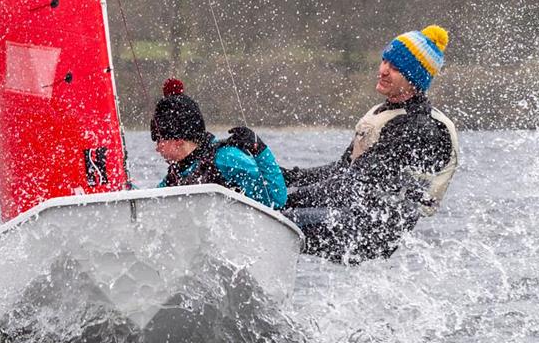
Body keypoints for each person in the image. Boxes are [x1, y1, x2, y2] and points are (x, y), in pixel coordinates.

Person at [277, 25, 459, 264]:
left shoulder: (418, 128)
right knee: (275, 211)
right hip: (354, 211)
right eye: (384, 61)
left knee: (280, 218)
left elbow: (354, 183)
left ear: (414, 79)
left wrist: (284, 199)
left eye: (395, 68)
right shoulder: (384, 113)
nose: (383, 70)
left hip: (374, 229)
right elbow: (342, 170)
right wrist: (283, 177)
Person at [151, 78, 287, 210]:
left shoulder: (225, 158)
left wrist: (259, 149)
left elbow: (275, 200)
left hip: (288, 200)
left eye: (159, 141)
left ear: (178, 140)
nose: (157, 148)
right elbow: (151, 203)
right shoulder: (177, 173)